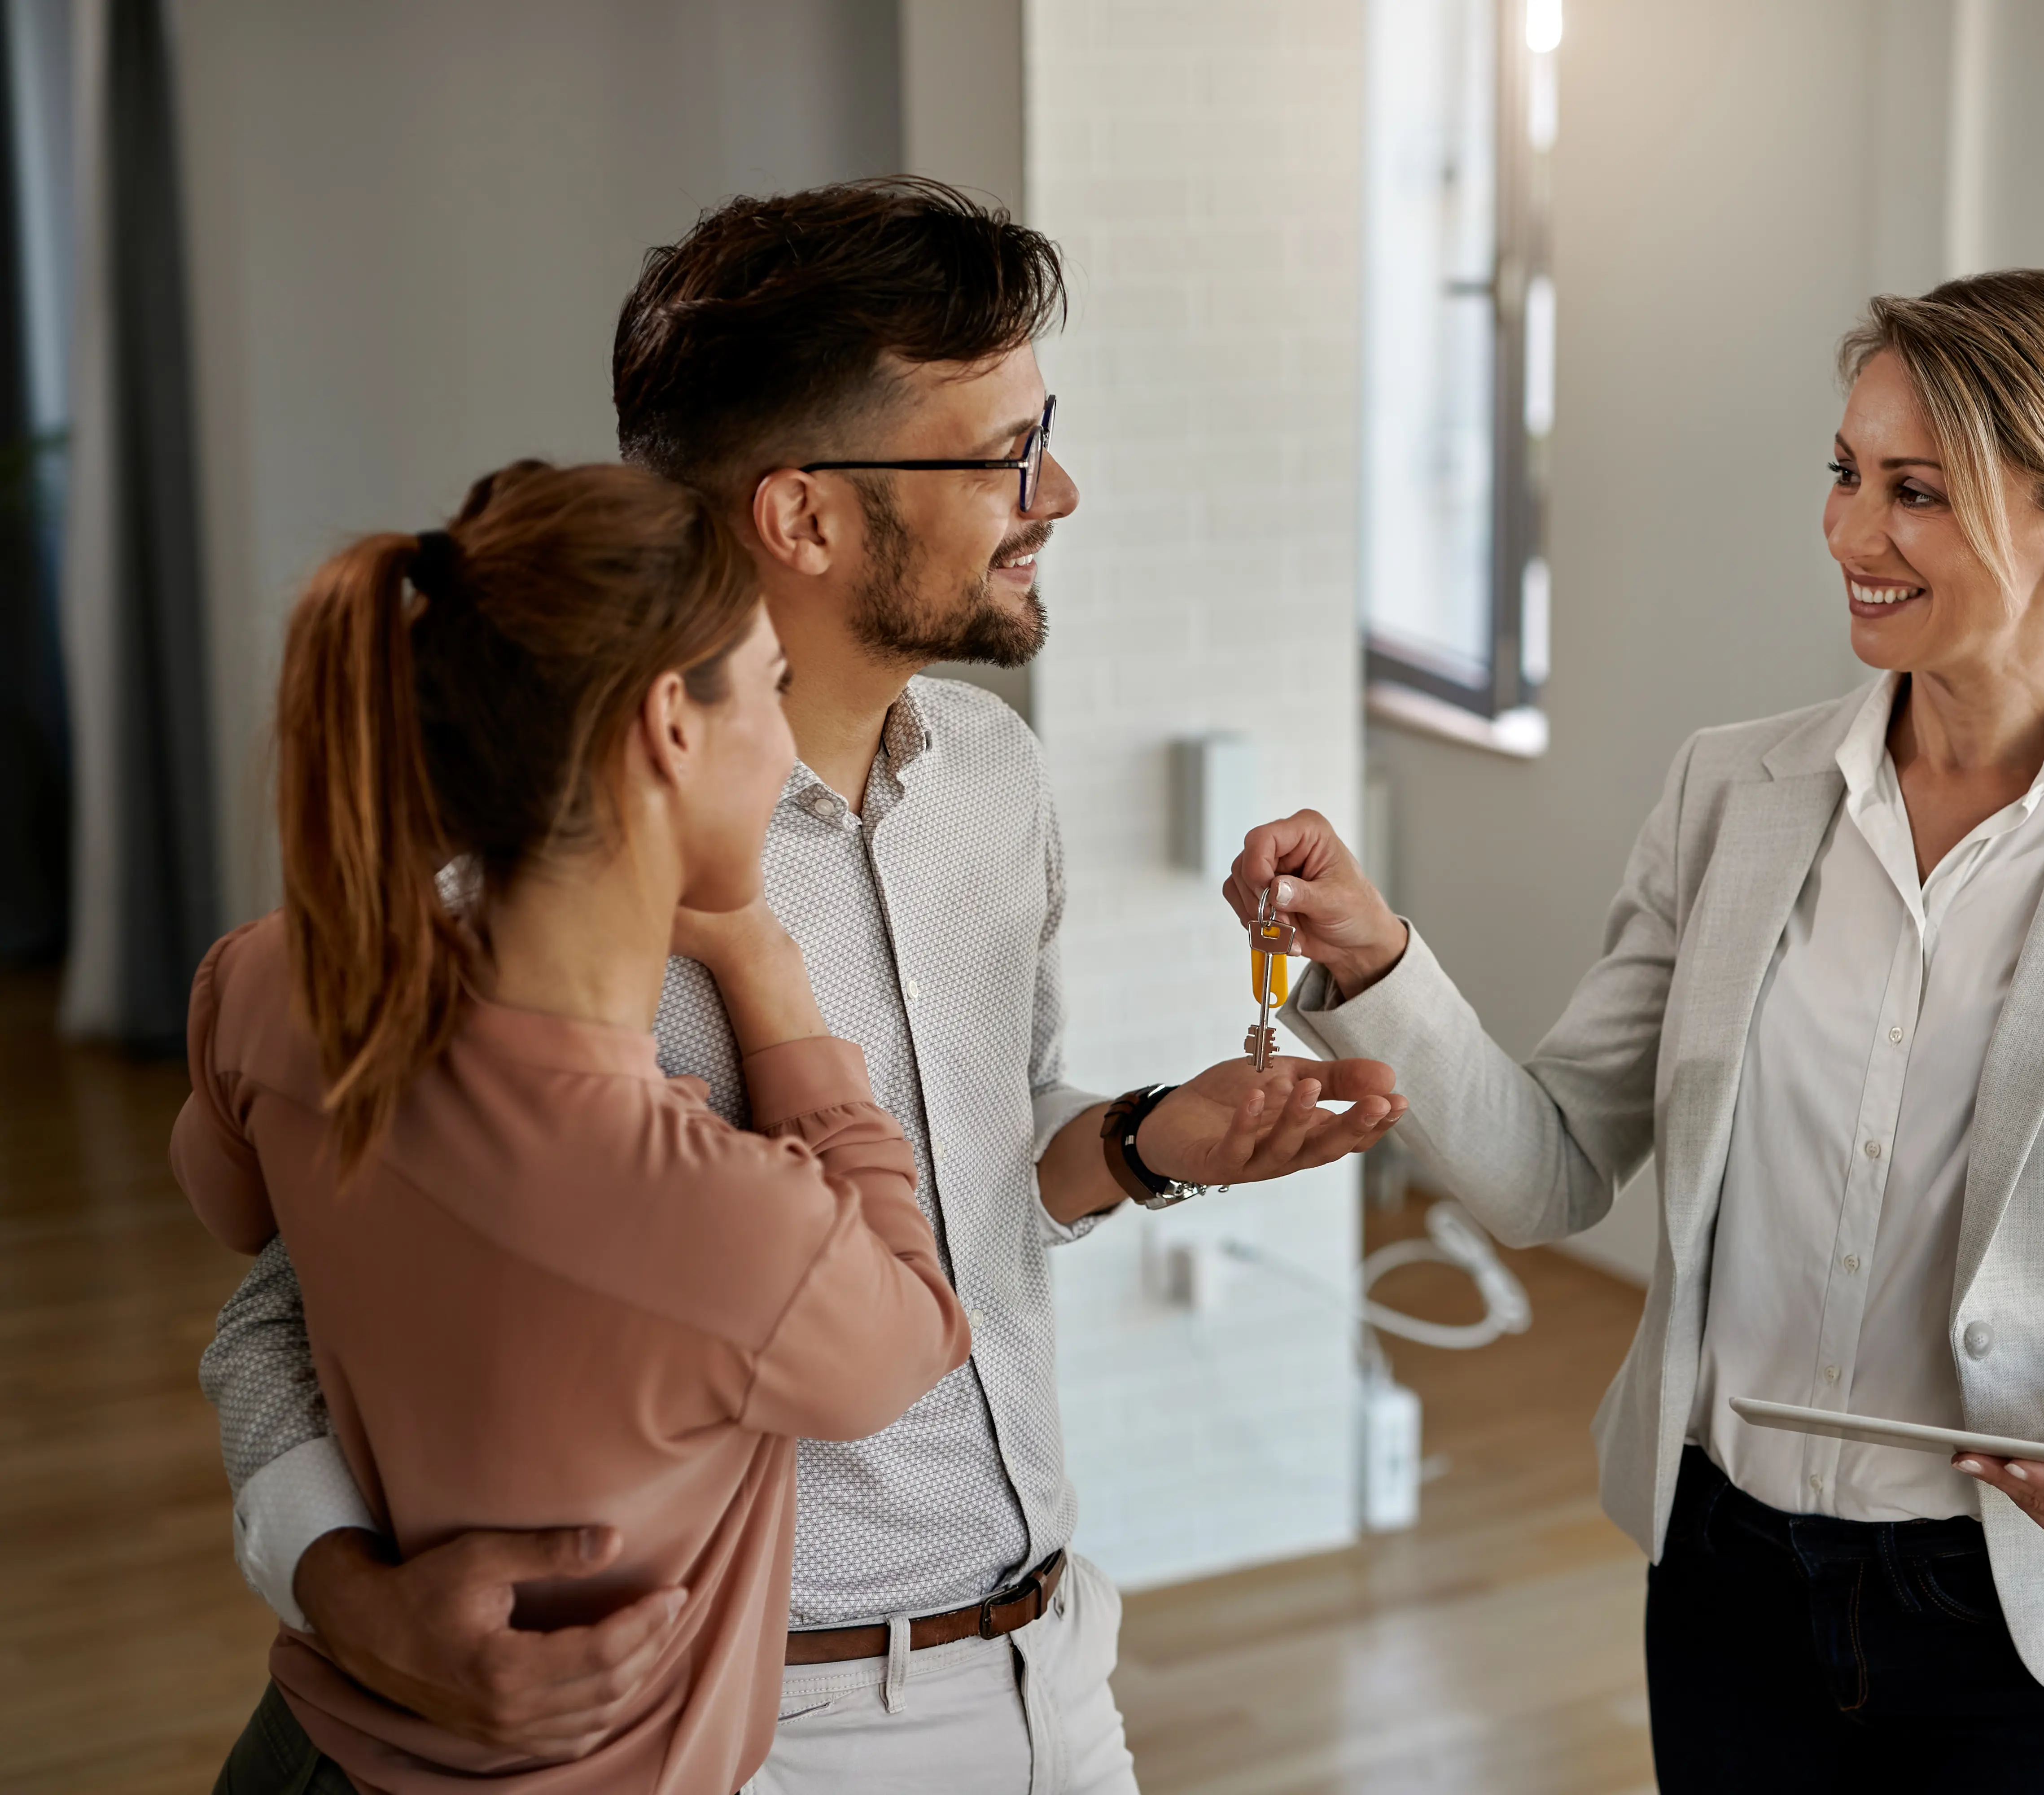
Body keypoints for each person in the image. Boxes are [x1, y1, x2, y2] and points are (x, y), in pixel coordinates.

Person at [195, 179, 1407, 1795]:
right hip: (750, 1726)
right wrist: (339, 1587)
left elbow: (964, 1186)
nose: (1063, 489)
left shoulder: (992, 777)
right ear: (807, 518)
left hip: (1052, 1663)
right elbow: (286, 1308)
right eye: (1005, 455)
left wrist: (1135, 1145)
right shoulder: (547, 918)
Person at [1236, 271, 2044, 1792]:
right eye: (1846, 473)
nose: (1848, 535)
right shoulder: (1731, 797)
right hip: (1731, 1595)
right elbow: (1552, 1169)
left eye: (1920, 492)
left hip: (2043, 1628)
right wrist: (1373, 957)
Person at [184, 461, 975, 1793]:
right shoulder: (722, 1217)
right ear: (673, 722)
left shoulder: (270, 982)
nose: (786, 742)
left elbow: (233, 1212)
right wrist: (769, 974)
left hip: (302, 1763)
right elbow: (909, 1341)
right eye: (770, 686)